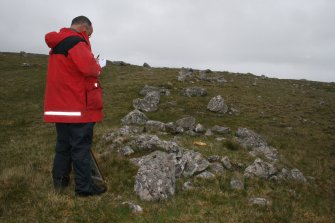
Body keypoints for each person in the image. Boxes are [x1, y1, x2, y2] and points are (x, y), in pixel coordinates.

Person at [44, 16, 106, 196]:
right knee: (80, 148)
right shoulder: (76, 42)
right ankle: (84, 187)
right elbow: (91, 69)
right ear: (84, 28)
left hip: (61, 106)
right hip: (77, 106)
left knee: (63, 145)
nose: (89, 37)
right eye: (89, 34)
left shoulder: (58, 43)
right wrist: (98, 64)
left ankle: (60, 183)